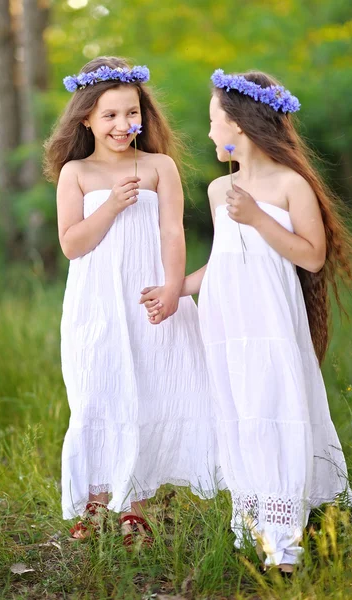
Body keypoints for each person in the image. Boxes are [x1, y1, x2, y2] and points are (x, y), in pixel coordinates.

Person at [142, 69, 352, 570]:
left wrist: (258, 218)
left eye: (214, 120)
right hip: (226, 325)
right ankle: (255, 525)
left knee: (273, 407)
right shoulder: (222, 191)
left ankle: (284, 545)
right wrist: (175, 288)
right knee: (239, 412)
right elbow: (225, 263)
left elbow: (312, 256)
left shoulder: (290, 184)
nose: (211, 131)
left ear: (239, 124)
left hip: (269, 324)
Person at [43, 57, 222, 545]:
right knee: (95, 389)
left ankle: (136, 506)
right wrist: (111, 205)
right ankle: (96, 503)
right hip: (97, 301)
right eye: (110, 116)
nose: (123, 125)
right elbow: (73, 244)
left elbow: (171, 230)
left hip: (149, 296)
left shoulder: (158, 166)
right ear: (86, 119)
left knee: (148, 386)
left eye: (132, 113)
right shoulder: (75, 173)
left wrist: (172, 286)